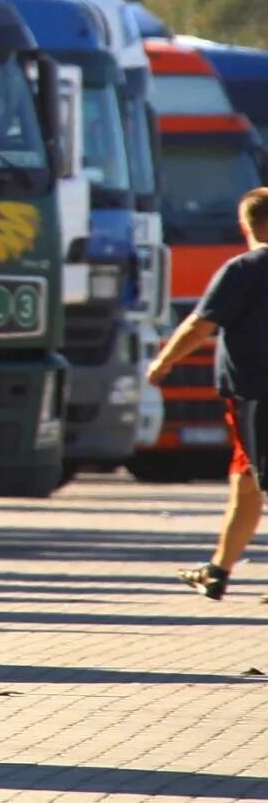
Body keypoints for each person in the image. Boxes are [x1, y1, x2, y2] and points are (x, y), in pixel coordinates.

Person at [151, 187, 268, 599]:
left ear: (247, 225)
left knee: (257, 478)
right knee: (247, 480)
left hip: (256, 391)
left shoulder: (245, 268)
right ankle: (218, 570)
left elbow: (199, 326)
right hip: (250, 394)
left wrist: (164, 362)